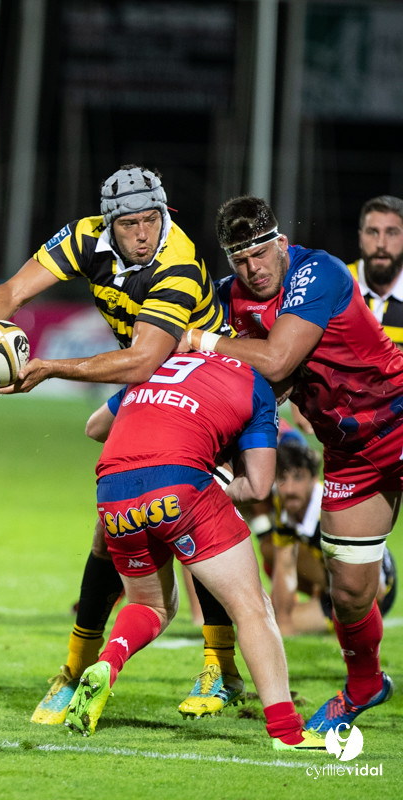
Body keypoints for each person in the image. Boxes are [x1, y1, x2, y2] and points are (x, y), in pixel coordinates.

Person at [0, 165, 243, 723]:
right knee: (111, 527)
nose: (143, 233)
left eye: (152, 220)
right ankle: (74, 669)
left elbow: (141, 360)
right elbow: (13, 291)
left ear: (167, 215)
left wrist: (49, 369)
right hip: (156, 385)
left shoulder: (177, 264)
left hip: (208, 387)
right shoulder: (86, 237)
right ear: (111, 224)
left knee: (192, 519)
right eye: (131, 223)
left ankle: (218, 666)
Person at [179, 195, 401, 733]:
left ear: (280, 243)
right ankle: (365, 685)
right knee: (348, 593)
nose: (253, 269)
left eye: (259, 253)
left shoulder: (317, 271)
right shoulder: (228, 299)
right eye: (239, 260)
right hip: (351, 454)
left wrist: (204, 340)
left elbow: (277, 359)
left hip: (398, 415)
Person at [62, 351, 323, 751]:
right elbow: (256, 488)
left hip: (111, 491)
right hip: (178, 483)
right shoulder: (260, 387)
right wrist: (214, 484)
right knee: (253, 608)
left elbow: (94, 427)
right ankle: (287, 733)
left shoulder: (166, 359)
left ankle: (106, 665)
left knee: (150, 606)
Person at [267, 434, 397, 636]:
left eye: (298, 477)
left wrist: (350, 625)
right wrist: (283, 624)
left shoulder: (331, 511)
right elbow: (284, 567)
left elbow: (374, 586)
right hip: (334, 579)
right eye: (282, 478)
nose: (289, 488)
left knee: (273, 621)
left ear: (313, 478)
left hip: (375, 587)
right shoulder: (282, 504)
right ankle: (319, 598)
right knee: (273, 620)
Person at [348, 195, 403, 349]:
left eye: (391, 233)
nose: (381, 244)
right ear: (360, 238)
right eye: (373, 232)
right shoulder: (335, 283)